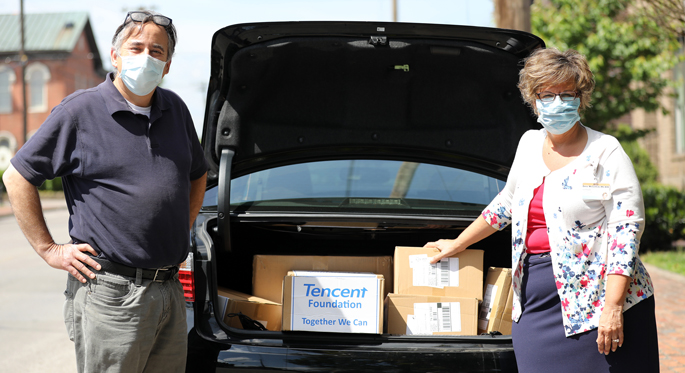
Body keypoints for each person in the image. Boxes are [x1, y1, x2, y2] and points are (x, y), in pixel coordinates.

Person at [424, 48, 659, 372]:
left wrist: (613, 306)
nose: (556, 102)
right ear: (532, 99)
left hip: (600, 302)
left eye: (566, 93)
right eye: (546, 94)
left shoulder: (605, 152)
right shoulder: (529, 144)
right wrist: (457, 244)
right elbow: (506, 204)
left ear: (581, 97)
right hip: (535, 304)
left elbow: (626, 230)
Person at [2, 10, 207, 373]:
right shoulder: (80, 111)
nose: (146, 57)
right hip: (112, 293)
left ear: (168, 65)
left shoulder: (175, 109)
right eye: (137, 47)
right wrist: (49, 249)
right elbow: (18, 176)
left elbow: (197, 174)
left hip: (170, 290)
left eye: (157, 52)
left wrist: (183, 226)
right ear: (115, 55)